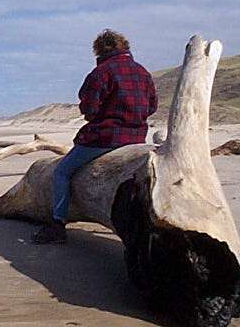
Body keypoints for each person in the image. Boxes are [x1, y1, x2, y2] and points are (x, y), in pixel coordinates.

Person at [32, 29, 158, 244]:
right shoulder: (143, 72)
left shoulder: (101, 73)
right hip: (136, 137)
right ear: (125, 47)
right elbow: (153, 106)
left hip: (105, 137)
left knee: (61, 172)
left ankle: (58, 223)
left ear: (99, 50)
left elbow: (89, 109)